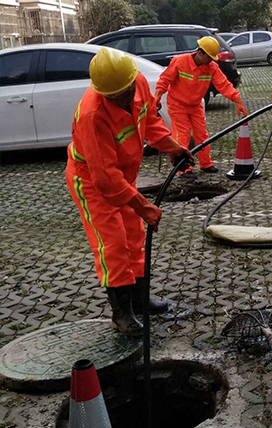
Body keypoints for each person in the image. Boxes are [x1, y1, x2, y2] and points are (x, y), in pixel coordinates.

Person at [66, 47, 194, 336]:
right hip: (91, 182)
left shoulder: (134, 84)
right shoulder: (92, 115)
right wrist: (143, 205)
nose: (124, 99)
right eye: (115, 96)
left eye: (125, 92)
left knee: (134, 237)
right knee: (113, 245)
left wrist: (172, 146)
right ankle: (121, 315)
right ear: (103, 93)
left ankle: (139, 300)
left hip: (122, 176)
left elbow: (149, 121)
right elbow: (105, 179)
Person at [154, 36, 248, 178]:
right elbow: (164, 80)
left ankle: (206, 164)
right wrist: (157, 96)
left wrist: (238, 101)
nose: (210, 61)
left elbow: (224, 85)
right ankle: (183, 168)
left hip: (195, 105)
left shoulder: (211, 68)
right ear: (200, 52)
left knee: (202, 135)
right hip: (177, 105)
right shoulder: (180, 62)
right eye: (209, 57)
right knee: (182, 136)